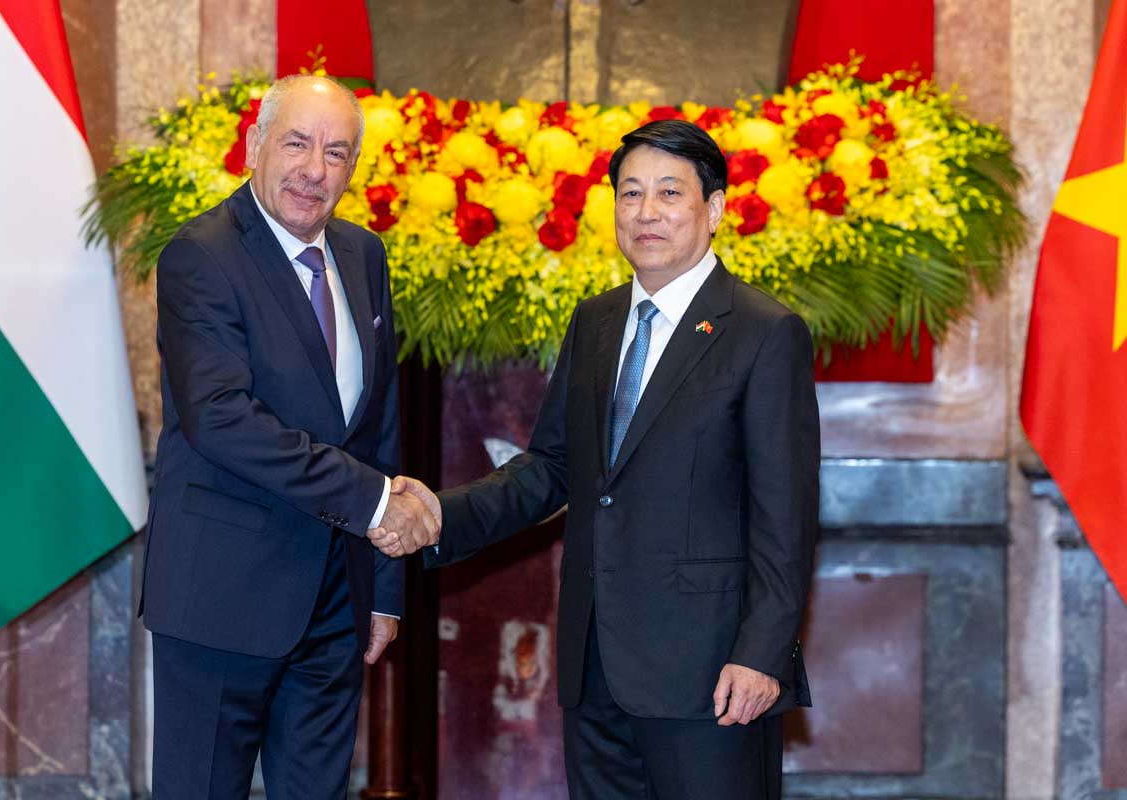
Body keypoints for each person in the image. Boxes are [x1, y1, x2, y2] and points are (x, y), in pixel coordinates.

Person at [375, 120, 819, 799]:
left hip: (711, 674)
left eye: (670, 193)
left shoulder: (763, 332)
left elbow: (784, 516)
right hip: (595, 668)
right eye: (631, 193)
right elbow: (553, 466)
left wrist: (761, 655)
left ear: (717, 209)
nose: (647, 212)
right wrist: (438, 515)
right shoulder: (599, 321)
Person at [140, 75, 437, 799]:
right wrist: (374, 503)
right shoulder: (201, 255)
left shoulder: (364, 255)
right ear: (254, 146)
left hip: (334, 609)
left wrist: (385, 590)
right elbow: (221, 418)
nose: (314, 169)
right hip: (218, 603)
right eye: (297, 143)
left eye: (336, 153)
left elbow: (376, 425)